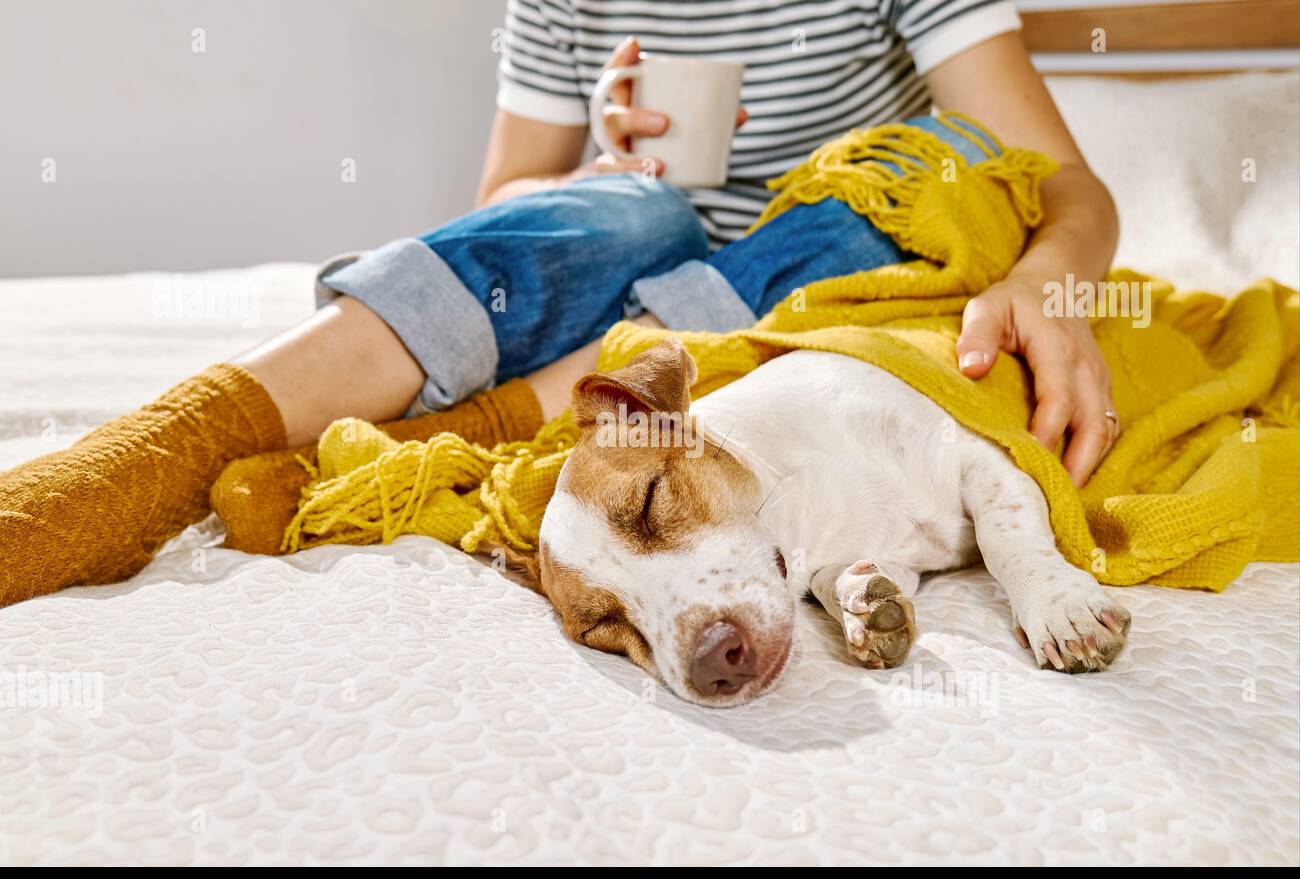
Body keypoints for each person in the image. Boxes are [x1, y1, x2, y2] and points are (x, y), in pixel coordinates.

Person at [0, 0, 1119, 608]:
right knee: (631, 214)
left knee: (893, 179)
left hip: (808, 290)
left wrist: (1038, 278)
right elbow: (501, 212)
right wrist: (598, 156)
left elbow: (1059, 182)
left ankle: (405, 450)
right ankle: (145, 463)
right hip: (619, 298)